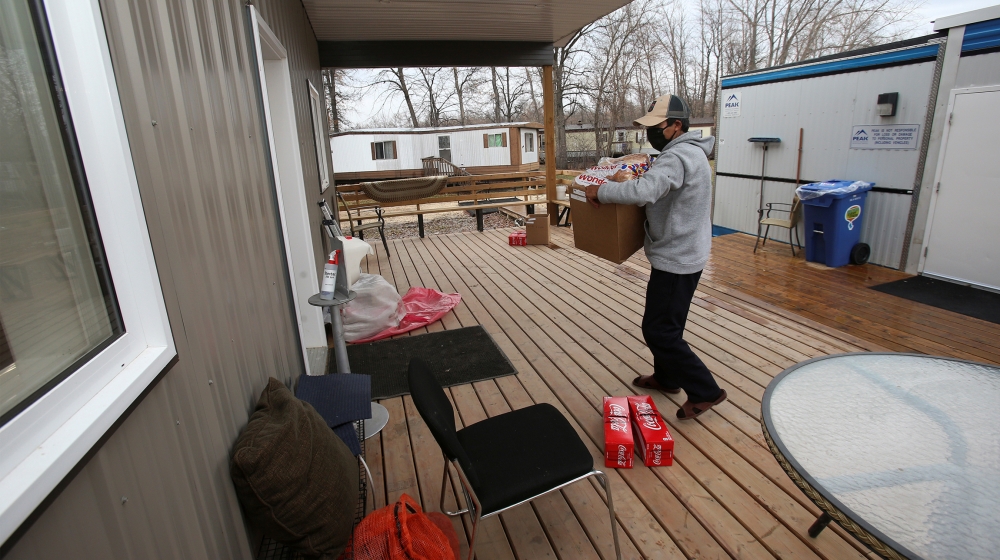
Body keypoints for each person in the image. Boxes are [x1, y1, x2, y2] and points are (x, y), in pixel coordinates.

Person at [585, 94, 726, 420]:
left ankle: (705, 390)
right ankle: (667, 378)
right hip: (684, 252)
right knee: (666, 324)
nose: (651, 133)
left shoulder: (677, 157)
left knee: (659, 330)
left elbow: (643, 191)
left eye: (656, 127)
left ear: (676, 126)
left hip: (678, 258)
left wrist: (600, 191)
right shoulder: (688, 154)